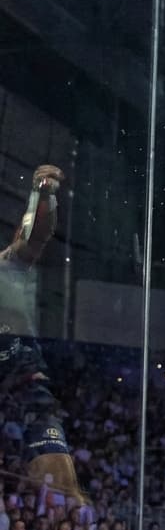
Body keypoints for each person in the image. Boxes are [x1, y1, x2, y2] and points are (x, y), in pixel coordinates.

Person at [0, 165, 88, 509]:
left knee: (63, 494)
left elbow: (34, 237)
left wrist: (44, 193)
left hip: (24, 389)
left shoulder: (7, 266)